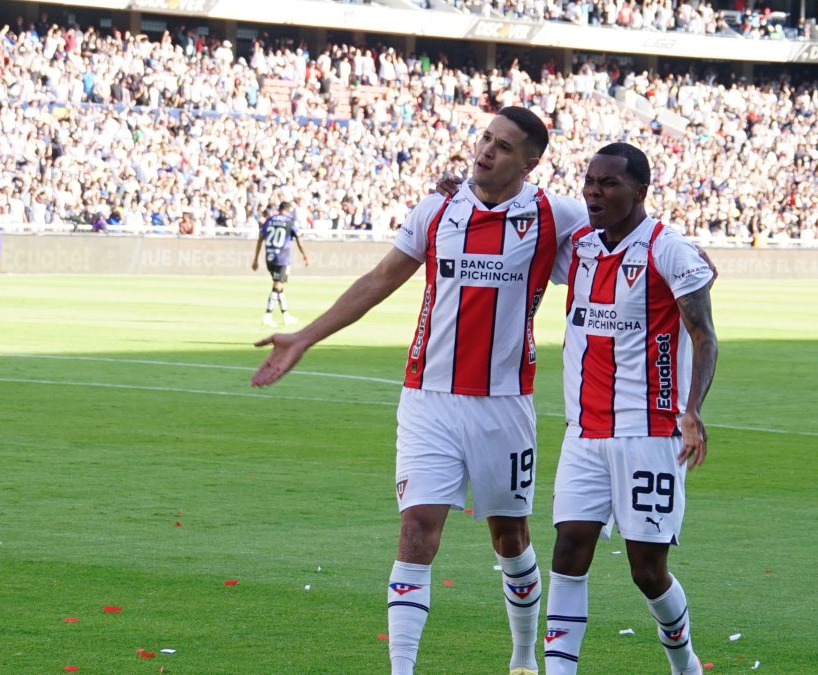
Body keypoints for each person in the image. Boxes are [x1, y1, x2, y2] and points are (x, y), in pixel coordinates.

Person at [251, 107, 589, 675]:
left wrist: (681, 258)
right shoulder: (437, 209)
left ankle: (524, 658)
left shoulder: (557, 217)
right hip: (427, 398)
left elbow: (622, 241)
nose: (485, 150)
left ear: (531, 162)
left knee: (509, 537)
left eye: (504, 147)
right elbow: (380, 279)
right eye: (485, 138)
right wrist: (305, 337)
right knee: (416, 530)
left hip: (503, 405)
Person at [544, 143, 718, 675]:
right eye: (590, 181)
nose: (594, 192)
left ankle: (684, 661)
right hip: (584, 433)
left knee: (647, 569)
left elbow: (705, 337)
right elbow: (517, 203)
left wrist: (692, 410)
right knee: (569, 550)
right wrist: (455, 193)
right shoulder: (578, 246)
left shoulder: (669, 250)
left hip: (649, 433)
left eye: (609, 183)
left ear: (641, 191)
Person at [252, 201, 309, 327]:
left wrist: (256, 258)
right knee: (278, 285)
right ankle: (268, 314)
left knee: (280, 286)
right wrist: (304, 255)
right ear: (288, 210)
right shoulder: (291, 222)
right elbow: (299, 239)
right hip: (282, 258)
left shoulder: (269, 220)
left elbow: (260, 238)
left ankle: (285, 315)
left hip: (269, 257)